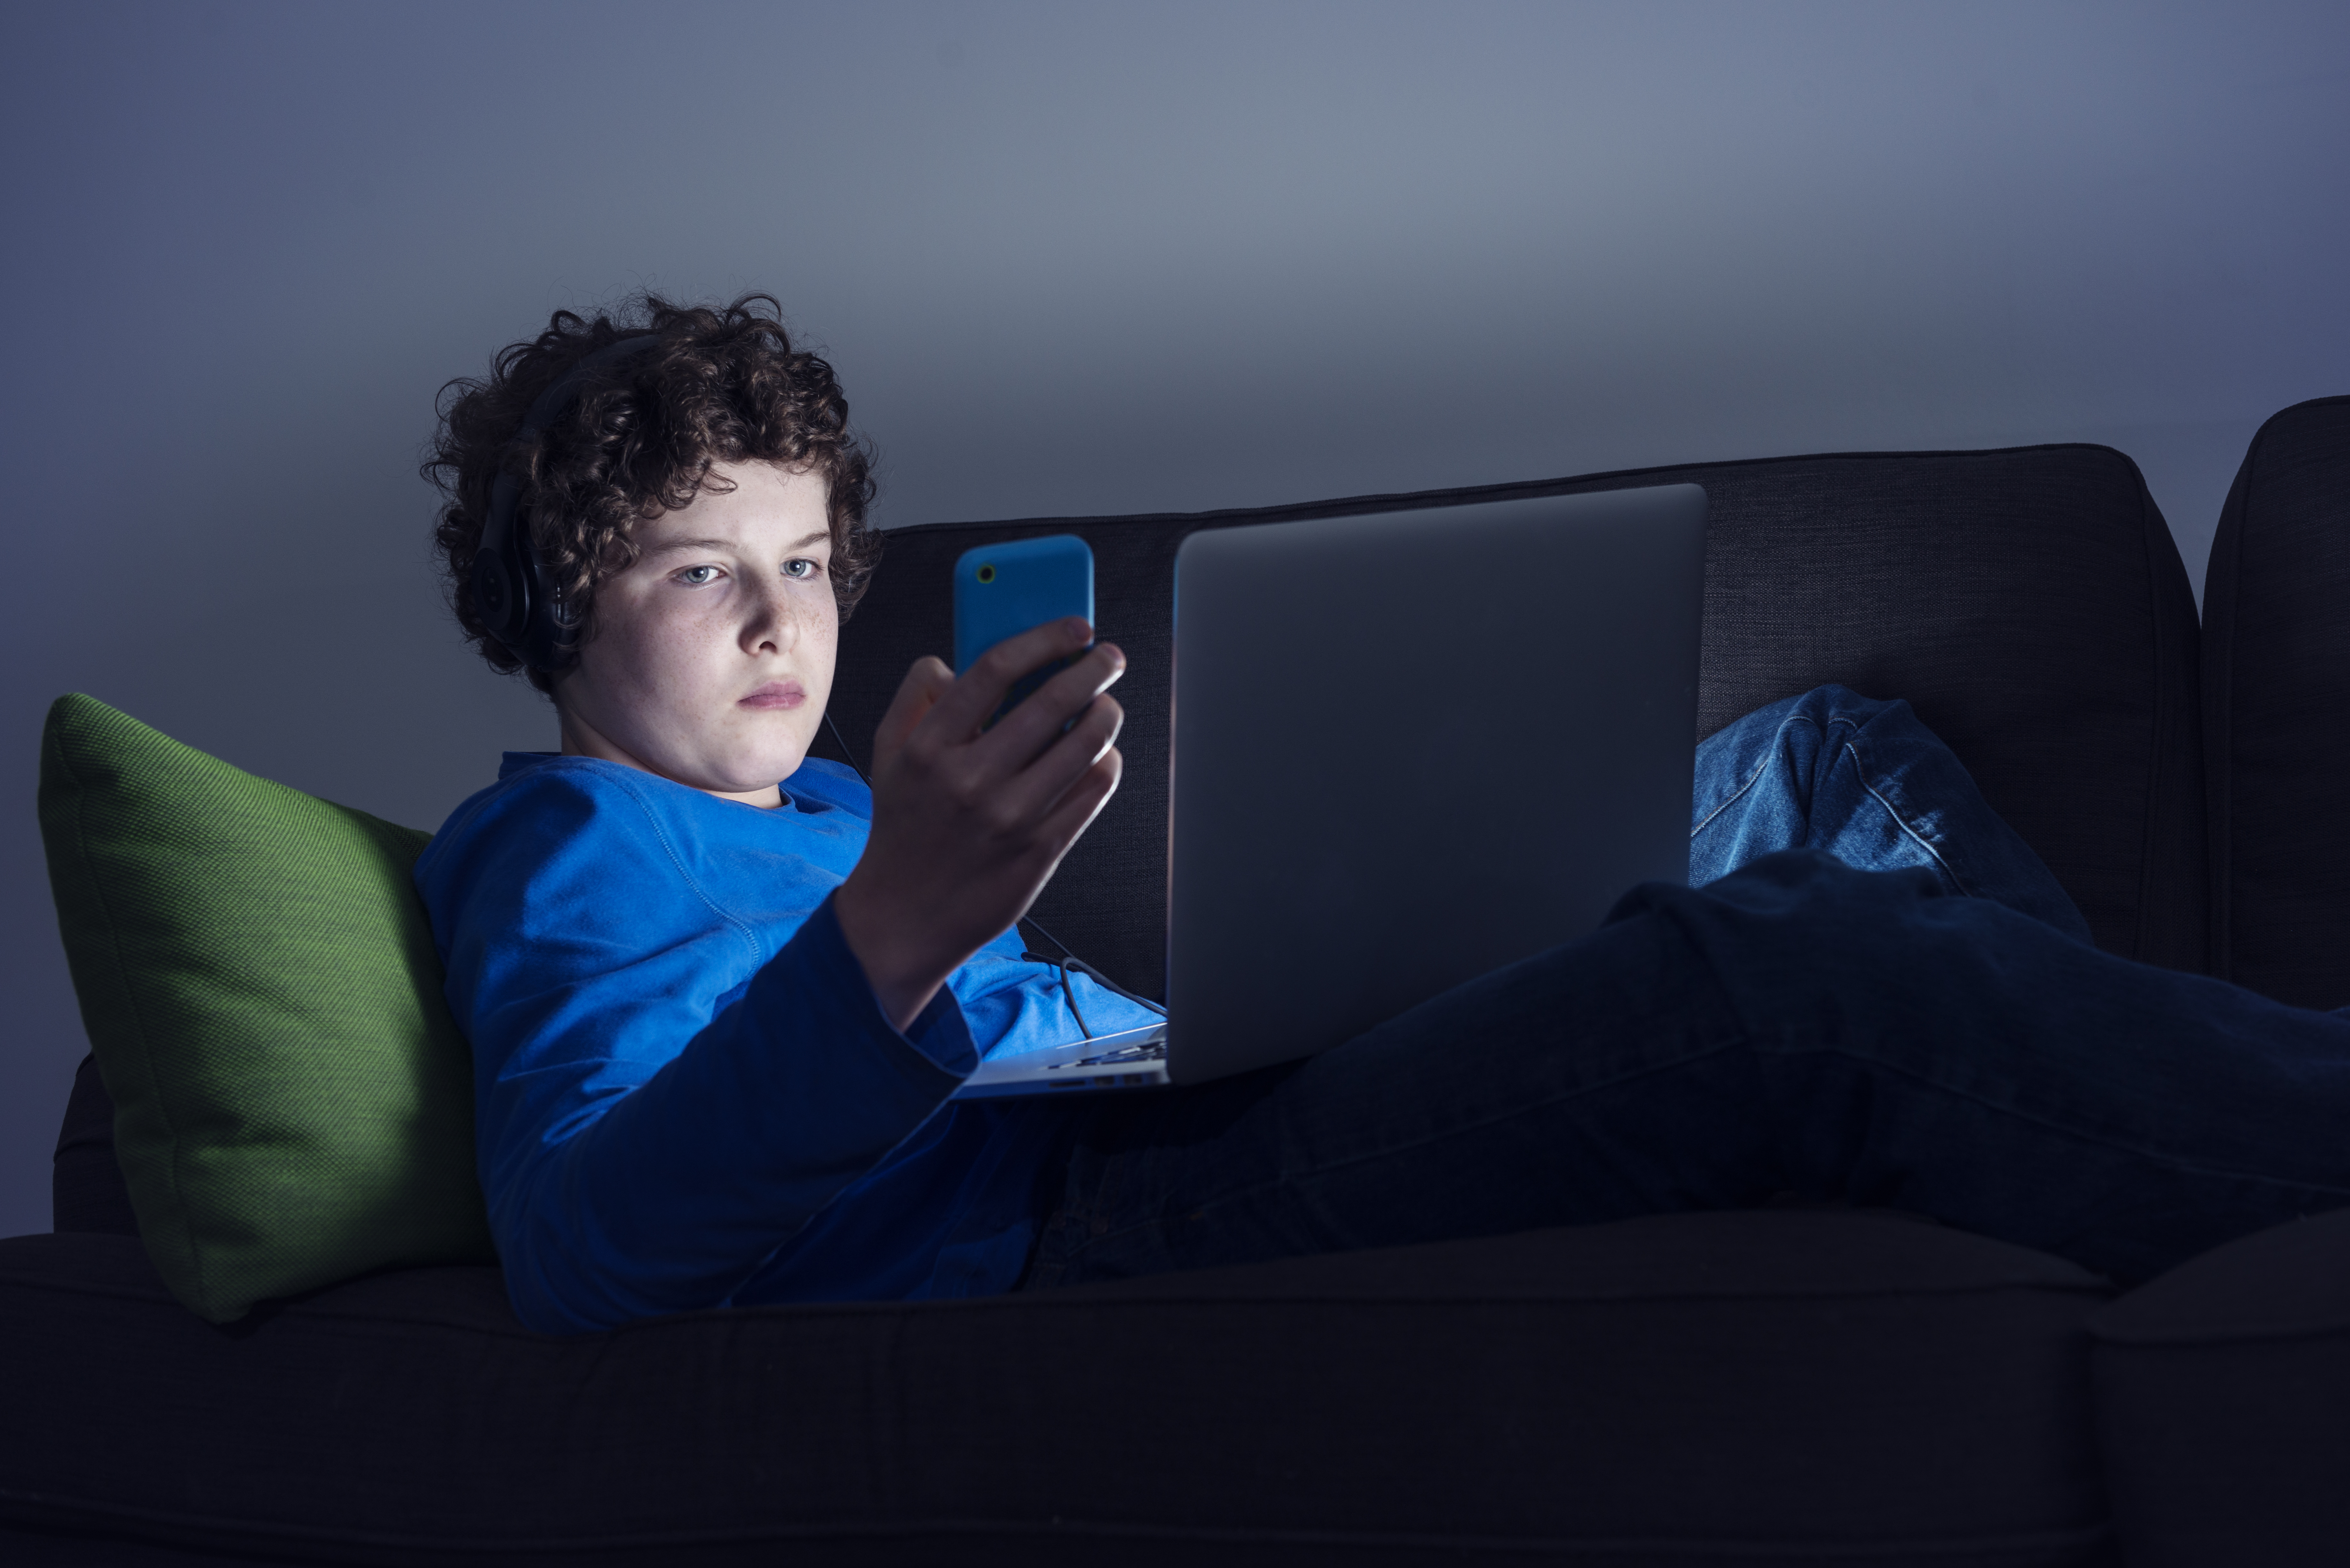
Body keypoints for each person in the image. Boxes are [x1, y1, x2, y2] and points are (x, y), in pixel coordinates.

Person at [417, 293, 2350, 1335]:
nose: (783, 617)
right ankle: (2225, 1167)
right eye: (696, 571)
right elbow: (592, 1252)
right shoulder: (563, 850)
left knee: (1825, 758)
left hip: (1174, 1088)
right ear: (550, 609)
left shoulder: (840, 796)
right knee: (1771, 977)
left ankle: (2143, 1164)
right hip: (1086, 1233)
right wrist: (891, 940)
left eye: (812, 560)